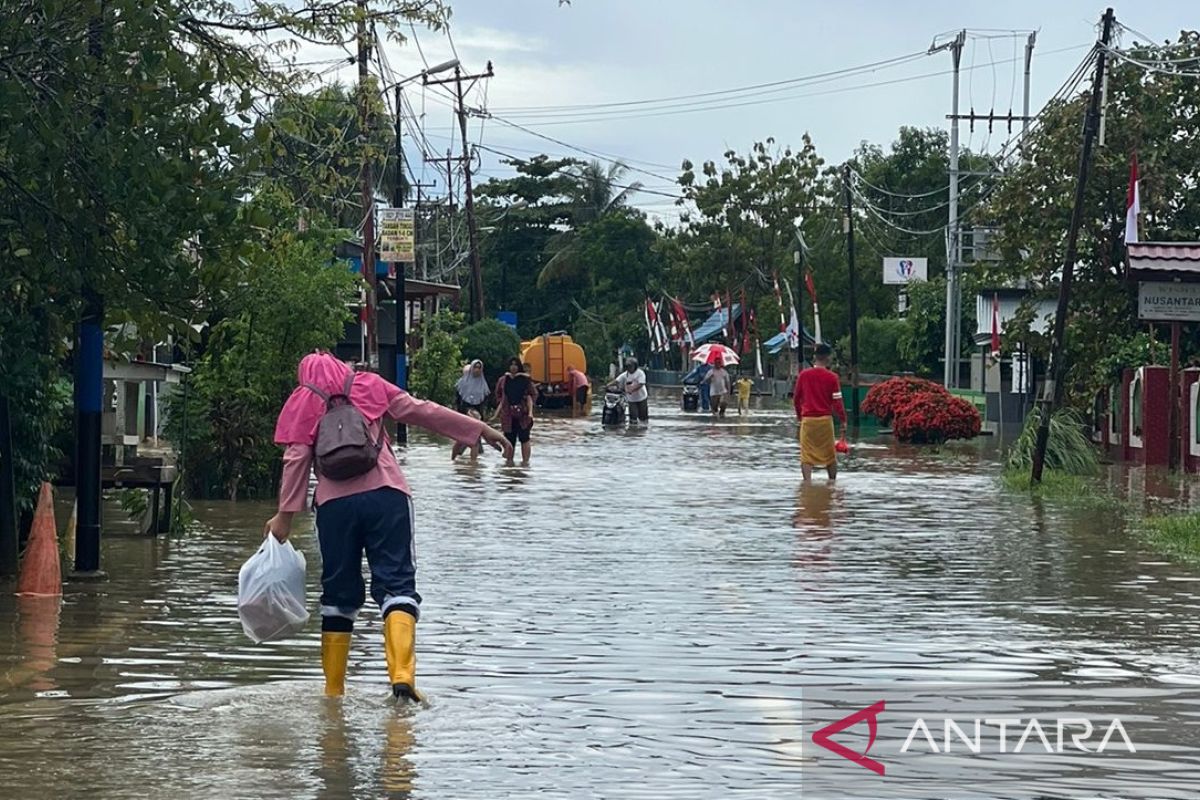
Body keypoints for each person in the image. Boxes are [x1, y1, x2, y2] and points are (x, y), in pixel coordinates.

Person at [265, 352, 512, 701]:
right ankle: (402, 679)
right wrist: (478, 429)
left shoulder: (303, 401)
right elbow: (422, 410)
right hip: (387, 497)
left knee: (338, 596)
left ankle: (334, 692)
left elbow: (296, 459)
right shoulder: (368, 384)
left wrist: (285, 517)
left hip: (334, 508)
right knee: (397, 585)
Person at [792, 343, 848, 481]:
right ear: (828, 358)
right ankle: (832, 483)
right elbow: (837, 402)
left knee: (807, 456)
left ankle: (807, 484)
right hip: (825, 421)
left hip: (808, 421)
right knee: (830, 455)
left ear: (814, 357)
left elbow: (796, 399)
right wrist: (843, 420)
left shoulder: (803, 375)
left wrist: (800, 417)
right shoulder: (832, 377)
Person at [494, 356, 537, 466]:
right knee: (509, 439)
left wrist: (527, 408)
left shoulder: (525, 380)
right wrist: (503, 404)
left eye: (516, 365)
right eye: (511, 364)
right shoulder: (503, 380)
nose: (513, 367)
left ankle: (525, 464)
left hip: (523, 415)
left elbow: (534, 394)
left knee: (524, 438)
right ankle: (509, 464)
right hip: (508, 415)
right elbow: (498, 394)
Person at [611, 357, 649, 424]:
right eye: (628, 366)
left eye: (630, 366)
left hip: (642, 398)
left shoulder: (640, 373)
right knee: (633, 417)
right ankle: (633, 431)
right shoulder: (625, 375)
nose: (629, 368)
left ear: (635, 366)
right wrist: (608, 385)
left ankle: (643, 430)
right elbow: (617, 381)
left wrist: (632, 389)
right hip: (632, 399)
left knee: (643, 417)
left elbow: (641, 384)